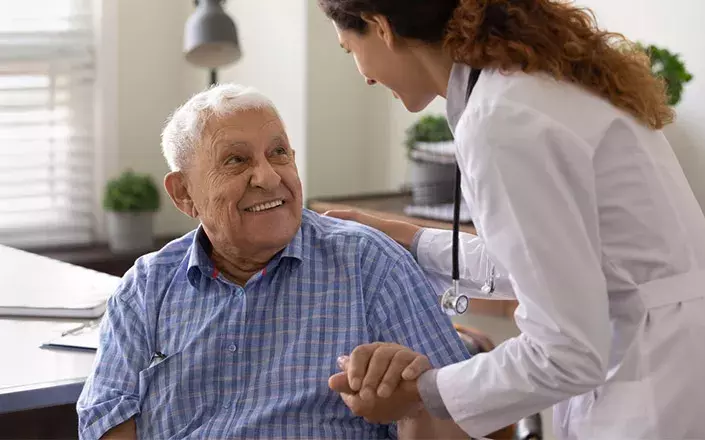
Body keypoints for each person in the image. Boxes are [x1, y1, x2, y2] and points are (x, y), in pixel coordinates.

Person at [316, 0, 705, 439]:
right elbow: (549, 263)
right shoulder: (530, 86)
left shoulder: (500, 119)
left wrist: (422, 393)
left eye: (350, 50)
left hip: (656, 390)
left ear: (380, 26)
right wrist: (413, 239)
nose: (364, 75)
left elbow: (565, 351)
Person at [76, 84, 472, 439]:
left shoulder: (369, 264)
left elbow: (467, 420)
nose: (267, 177)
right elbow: (106, 417)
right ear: (184, 194)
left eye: (278, 153)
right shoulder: (146, 287)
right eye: (236, 160)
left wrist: (412, 403)